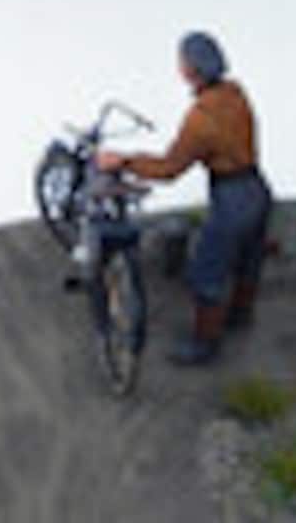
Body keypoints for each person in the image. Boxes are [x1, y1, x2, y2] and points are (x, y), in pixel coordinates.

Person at [97, 31, 274, 366]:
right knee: (248, 260)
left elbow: (169, 168)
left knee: (207, 271)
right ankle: (240, 315)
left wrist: (124, 161)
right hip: (257, 188)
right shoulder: (235, 93)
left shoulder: (202, 117)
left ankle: (205, 343)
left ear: (190, 70)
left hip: (231, 198)